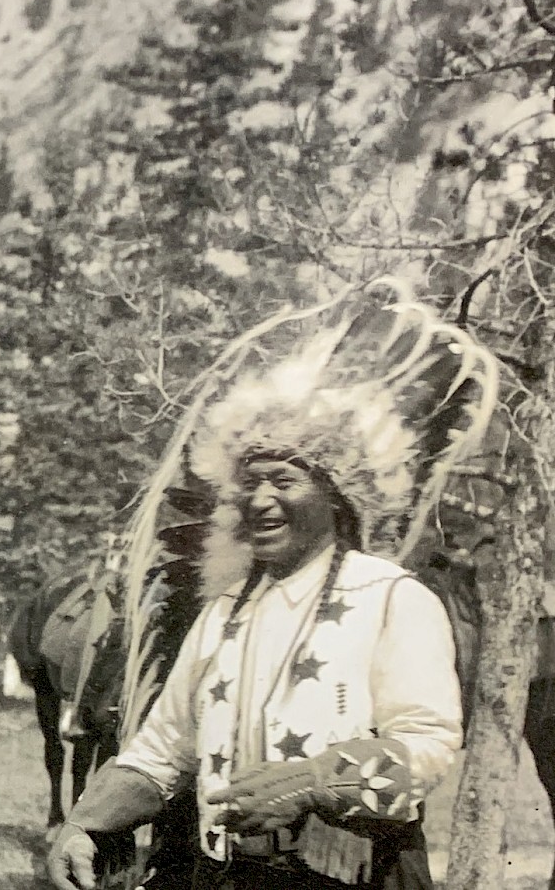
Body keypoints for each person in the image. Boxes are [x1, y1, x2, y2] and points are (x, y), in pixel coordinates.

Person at [48, 281, 496, 890]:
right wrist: (84, 825)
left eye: (284, 481)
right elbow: (161, 755)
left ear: (336, 497)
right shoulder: (225, 611)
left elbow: (426, 744)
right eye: (250, 483)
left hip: (352, 876)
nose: (260, 499)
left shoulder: (392, 598)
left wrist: (316, 783)